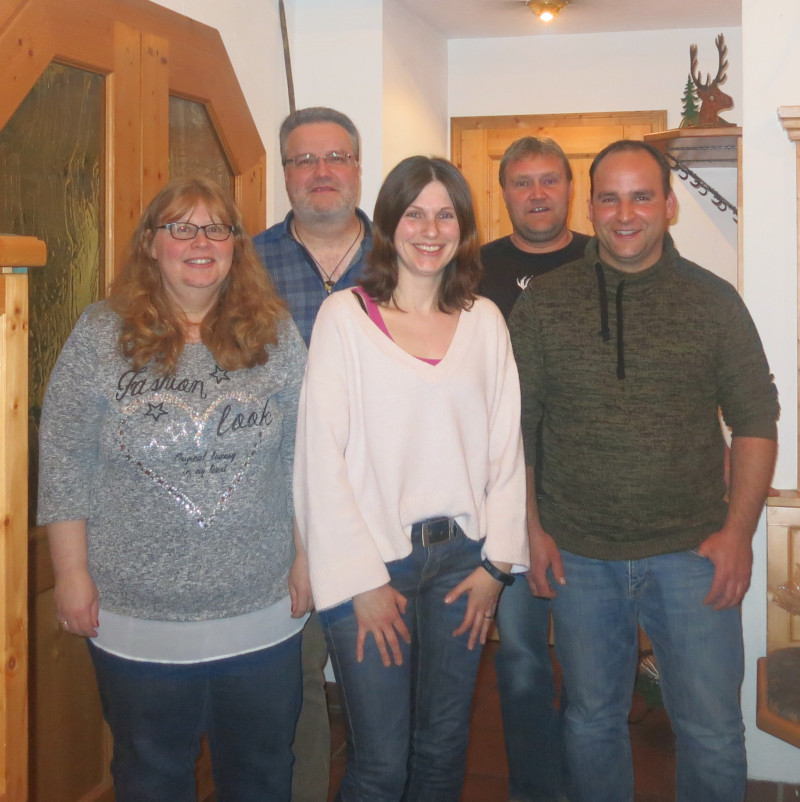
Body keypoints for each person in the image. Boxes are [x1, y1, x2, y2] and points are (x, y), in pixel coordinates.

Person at [508, 139, 779, 802]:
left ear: (669, 205)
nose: (625, 214)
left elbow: (755, 420)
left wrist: (738, 534)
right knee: (590, 721)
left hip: (694, 554)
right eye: (609, 198)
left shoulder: (714, 302)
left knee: (711, 731)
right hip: (579, 556)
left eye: (641, 196)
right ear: (590, 206)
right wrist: (533, 530)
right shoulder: (543, 304)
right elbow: (516, 428)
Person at [37, 177, 310, 802]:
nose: (200, 242)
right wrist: (70, 574)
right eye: (181, 228)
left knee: (263, 775)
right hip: (135, 616)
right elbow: (65, 458)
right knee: (150, 777)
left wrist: (307, 555)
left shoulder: (274, 333)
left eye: (216, 228)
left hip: (260, 611)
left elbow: (303, 454)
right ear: (151, 244)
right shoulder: (100, 334)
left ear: (236, 245)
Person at [294, 155, 529, 801]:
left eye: (445, 215)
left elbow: (506, 452)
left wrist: (497, 566)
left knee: (444, 748)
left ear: (463, 228)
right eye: (415, 214)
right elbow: (319, 461)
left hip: (462, 566)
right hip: (375, 567)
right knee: (380, 763)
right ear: (389, 224)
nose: (430, 230)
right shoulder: (345, 317)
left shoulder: (485, 321)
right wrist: (362, 583)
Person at [253, 106, 372, 802]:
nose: (321, 171)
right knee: (293, 683)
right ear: (285, 172)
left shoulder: (403, 256)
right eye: (304, 160)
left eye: (335, 157)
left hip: (382, 508)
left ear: (357, 167)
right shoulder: (244, 264)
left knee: (382, 675)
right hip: (278, 512)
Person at [480, 136, 589, 802]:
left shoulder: (604, 258)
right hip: (504, 494)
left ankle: (585, 781)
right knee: (521, 661)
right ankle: (535, 789)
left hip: (587, 495)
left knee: (588, 665)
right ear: (505, 193)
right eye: (522, 182)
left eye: (550, 179)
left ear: (569, 188)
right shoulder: (472, 268)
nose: (538, 193)